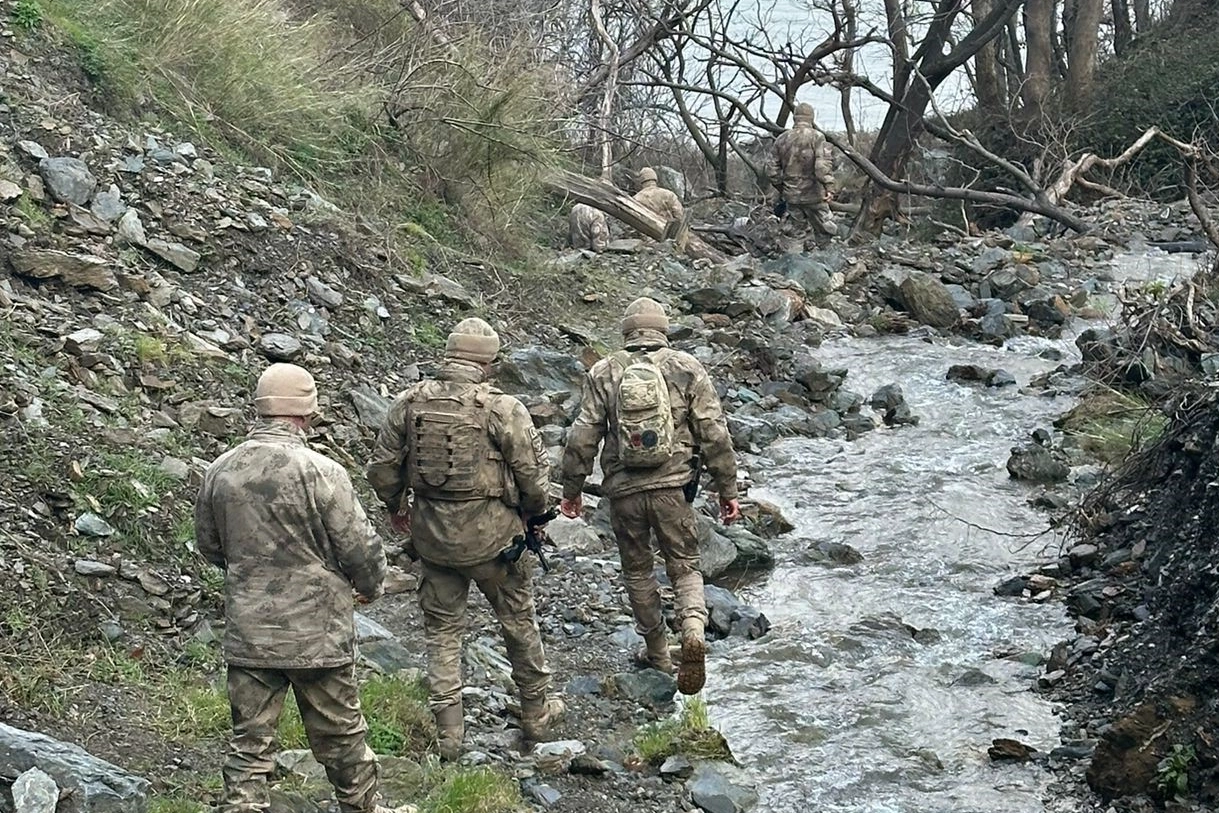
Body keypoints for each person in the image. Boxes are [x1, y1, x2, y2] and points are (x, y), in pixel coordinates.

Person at [195, 364, 399, 813]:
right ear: (307, 412)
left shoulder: (220, 470)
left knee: (249, 740)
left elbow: (209, 545)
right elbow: (360, 548)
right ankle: (360, 806)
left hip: (250, 629)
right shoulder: (323, 471)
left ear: (259, 408)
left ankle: (243, 806)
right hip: (317, 632)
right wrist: (370, 586)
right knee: (342, 734)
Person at [366, 318, 563, 760]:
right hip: (495, 541)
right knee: (518, 621)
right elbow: (532, 475)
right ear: (487, 361)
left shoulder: (409, 402)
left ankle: (449, 734)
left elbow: (382, 469)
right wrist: (535, 516)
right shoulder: (501, 407)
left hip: (433, 540)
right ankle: (536, 711)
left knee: (442, 631)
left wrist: (398, 508)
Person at [558, 298, 740, 695]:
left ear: (626, 332)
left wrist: (571, 491)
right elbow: (714, 433)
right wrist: (728, 490)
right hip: (673, 488)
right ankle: (693, 628)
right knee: (685, 565)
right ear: (663, 329)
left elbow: (582, 436)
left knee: (638, 571)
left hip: (624, 492)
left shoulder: (603, 371)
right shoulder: (686, 367)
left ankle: (658, 652)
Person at [768, 102, 837, 237]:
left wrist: (782, 188)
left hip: (792, 196)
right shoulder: (818, 137)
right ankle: (825, 254)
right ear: (811, 118)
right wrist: (830, 187)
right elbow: (821, 167)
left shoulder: (781, 139)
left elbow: (771, 170)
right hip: (815, 195)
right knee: (826, 230)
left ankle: (796, 255)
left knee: (795, 233)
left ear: (794, 118)